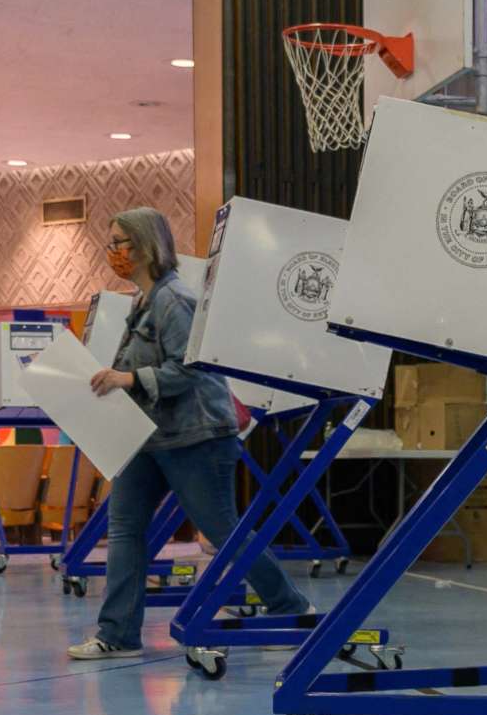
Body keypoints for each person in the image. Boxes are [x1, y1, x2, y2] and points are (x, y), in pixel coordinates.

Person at [65, 208, 309, 660]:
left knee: (223, 530)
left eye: (119, 242)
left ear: (144, 246)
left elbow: (191, 369)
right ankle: (117, 634)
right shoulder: (143, 299)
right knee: (124, 529)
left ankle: (291, 609)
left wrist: (130, 379)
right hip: (150, 437)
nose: (112, 251)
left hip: (197, 436)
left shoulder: (173, 299)